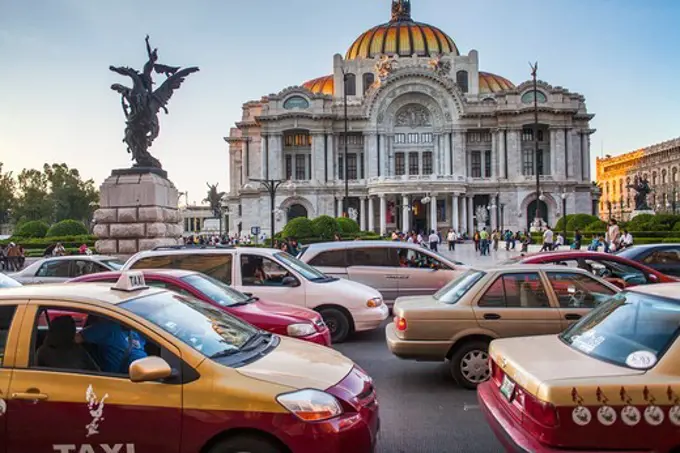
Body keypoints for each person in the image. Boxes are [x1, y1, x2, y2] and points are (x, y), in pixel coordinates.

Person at [76, 318, 147, 374]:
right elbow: (75, 339)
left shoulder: (138, 330)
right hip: (120, 379)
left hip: (144, 373)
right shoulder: (107, 328)